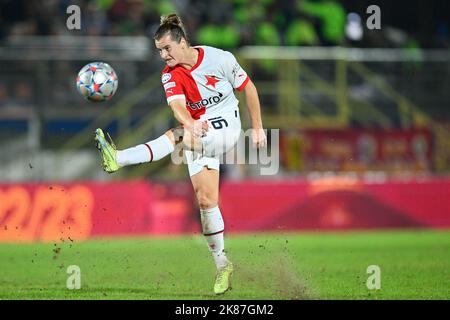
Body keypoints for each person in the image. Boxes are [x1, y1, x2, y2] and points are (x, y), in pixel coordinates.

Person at [94, 13, 266, 295]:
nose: (163, 55)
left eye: (167, 48)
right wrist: (190, 123)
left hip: (227, 127)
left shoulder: (219, 58)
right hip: (198, 130)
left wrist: (257, 128)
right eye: (159, 50)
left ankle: (118, 158)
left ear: (182, 42)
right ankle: (223, 265)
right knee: (206, 201)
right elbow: (177, 107)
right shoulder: (169, 75)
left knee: (178, 137)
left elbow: (249, 88)